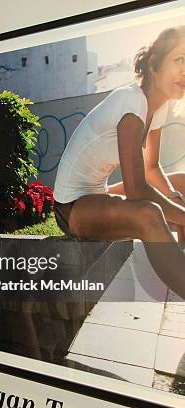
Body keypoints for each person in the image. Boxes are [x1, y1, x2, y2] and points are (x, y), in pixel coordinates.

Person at [53, 26, 185, 298]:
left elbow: (151, 168)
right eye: (179, 59)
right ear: (153, 64)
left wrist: (175, 199)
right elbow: (137, 190)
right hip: (72, 207)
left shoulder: (157, 107)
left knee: (178, 193)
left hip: (97, 196)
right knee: (150, 213)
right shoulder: (132, 101)